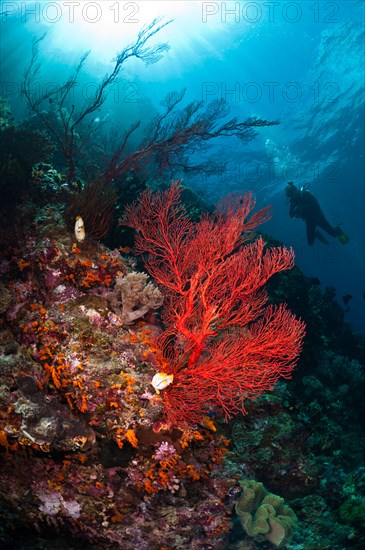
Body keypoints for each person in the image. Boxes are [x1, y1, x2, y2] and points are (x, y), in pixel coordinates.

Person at [285, 181, 349, 245]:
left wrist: (302, 207)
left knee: (334, 234)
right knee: (310, 242)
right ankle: (317, 234)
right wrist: (295, 211)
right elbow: (290, 214)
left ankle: (338, 229)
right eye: (289, 195)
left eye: (291, 194)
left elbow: (316, 205)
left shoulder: (305, 194)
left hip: (318, 217)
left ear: (295, 190)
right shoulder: (293, 201)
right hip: (309, 221)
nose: (291, 196)